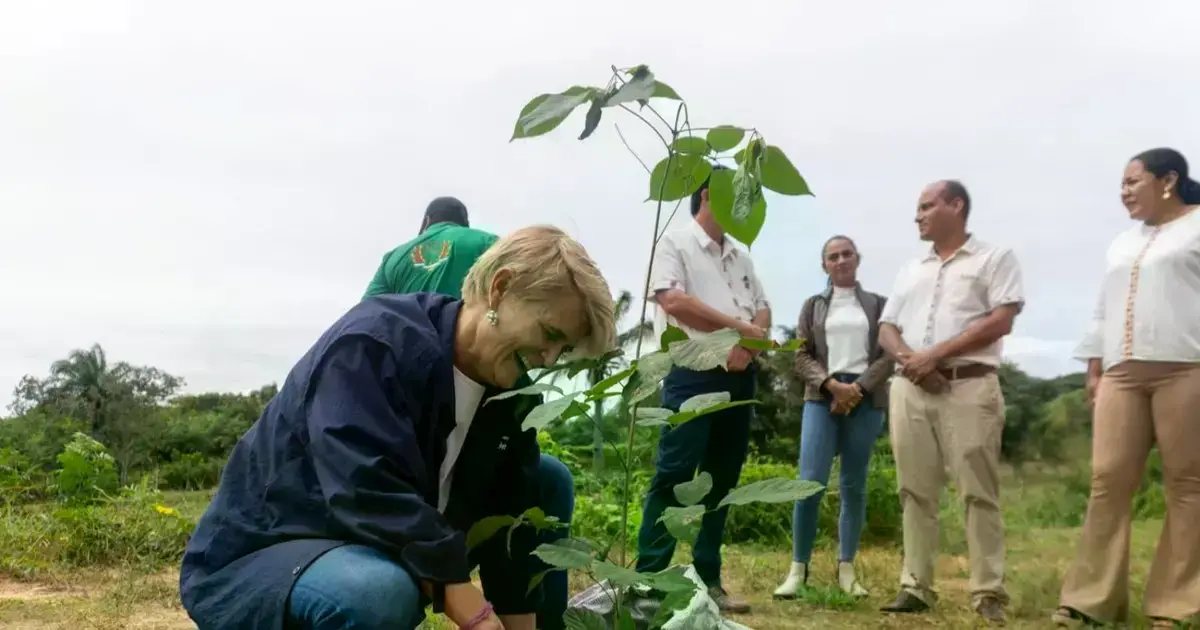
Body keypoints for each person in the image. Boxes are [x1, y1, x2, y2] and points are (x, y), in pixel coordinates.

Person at [179, 225, 617, 630]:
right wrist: (476, 616)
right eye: (548, 333)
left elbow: (513, 525)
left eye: (564, 349)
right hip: (273, 552)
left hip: (375, 549)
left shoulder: (512, 396)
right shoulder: (375, 345)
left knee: (546, 480)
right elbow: (366, 491)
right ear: (500, 289)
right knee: (376, 592)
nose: (550, 359)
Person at [360, 197, 577, 628]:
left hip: (414, 410)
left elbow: (364, 317)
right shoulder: (494, 245)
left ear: (425, 223)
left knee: (529, 481)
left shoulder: (398, 257)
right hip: (472, 404)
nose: (550, 358)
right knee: (547, 480)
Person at [1052, 148, 1200, 629]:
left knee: (1188, 486)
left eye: (1132, 181)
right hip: (1121, 374)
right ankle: (1089, 603)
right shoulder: (1121, 243)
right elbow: (1102, 308)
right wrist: (1094, 368)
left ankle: (1175, 607)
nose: (1124, 191)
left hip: (1187, 368)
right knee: (1107, 481)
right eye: (1122, 183)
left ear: (1168, 180)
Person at [876, 180, 1024, 625]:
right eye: (917, 208)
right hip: (909, 389)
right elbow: (887, 327)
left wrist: (934, 357)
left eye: (926, 206)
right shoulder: (910, 270)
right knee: (913, 490)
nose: (917, 215)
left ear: (956, 206)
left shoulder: (994, 258)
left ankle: (988, 592)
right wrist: (912, 362)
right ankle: (915, 586)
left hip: (969, 387)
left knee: (978, 490)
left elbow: (1001, 319)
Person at [634, 164, 771, 614]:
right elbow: (674, 301)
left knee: (722, 478)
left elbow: (764, 308)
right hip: (693, 372)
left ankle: (709, 578)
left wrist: (747, 347)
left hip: (740, 375)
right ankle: (649, 581)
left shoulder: (742, 255)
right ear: (708, 194)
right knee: (675, 475)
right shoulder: (673, 243)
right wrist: (739, 332)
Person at [772, 235, 892, 600]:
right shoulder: (812, 306)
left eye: (847, 254)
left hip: (866, 398)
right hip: (821, 397)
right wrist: (831, 386)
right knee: (809, 483)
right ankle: (798, 570)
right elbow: (801, 355)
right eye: (833, 256)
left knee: (853, 486)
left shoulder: (879, 305)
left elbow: (888, 355)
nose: (841, 260)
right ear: (824, 264)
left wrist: (858, 390)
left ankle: (846, 570)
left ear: (858, 258)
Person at [363, 196, 499, 299]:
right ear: (466, 223)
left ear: (426, 220)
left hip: (411, 335)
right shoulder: (488, 242)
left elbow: (367, 309)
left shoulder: (393, 258)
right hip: (469, 334)